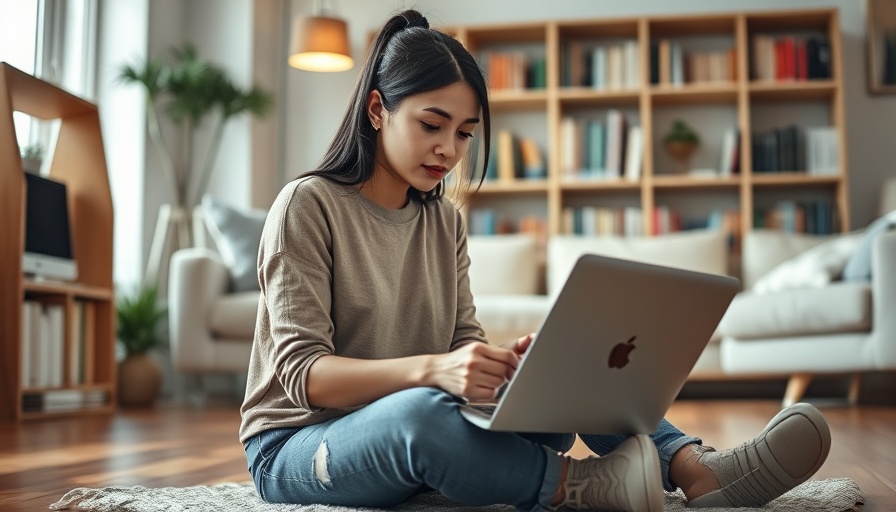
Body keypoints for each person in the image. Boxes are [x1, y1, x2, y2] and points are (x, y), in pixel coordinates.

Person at [240, 9, 832, 511]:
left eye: (466, 133)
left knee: (567, 378)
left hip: (419, 417)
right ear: (377, 110)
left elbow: (460, 338)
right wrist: (432, 371)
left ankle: (693, 467)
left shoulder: (442, 220)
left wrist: (507, 367)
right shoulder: (307, 205)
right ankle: (581, 488)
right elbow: (303, 378)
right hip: (298, 444)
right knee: (420, 419)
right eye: (431, 124)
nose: (449, 149)